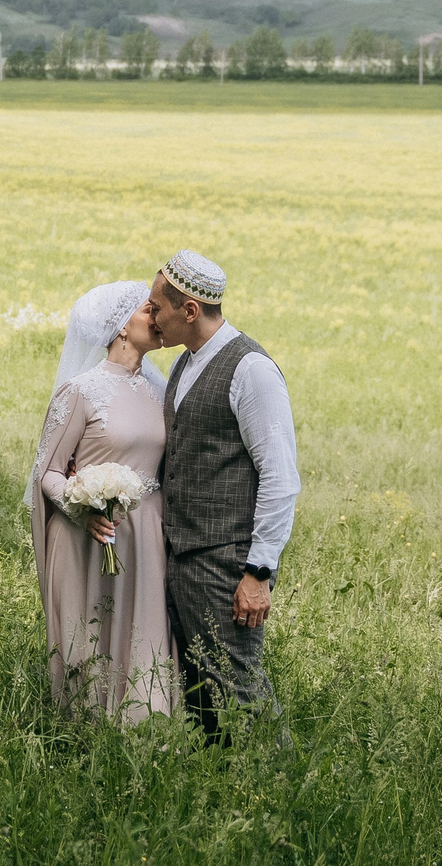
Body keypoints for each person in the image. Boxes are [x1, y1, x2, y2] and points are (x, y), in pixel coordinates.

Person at [147, 249, 298, 741]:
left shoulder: (250, 369)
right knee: (202, 702)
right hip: (183, 558)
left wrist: (258, 572)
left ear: (189, 310)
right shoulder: (185, 364)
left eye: (157, 307)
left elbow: (279, 476)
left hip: (226, 564)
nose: (151, 316)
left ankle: (278, 790)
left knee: (243, 697)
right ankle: (222, 802)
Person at [26, 280, 177, 723]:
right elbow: (47, 472)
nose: (159, 316)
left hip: (146, 535)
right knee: (91, 640)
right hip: (90, 536)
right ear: (121, 328)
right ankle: (84, 739)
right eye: (149, 310)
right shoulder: (81, 391)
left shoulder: (160, 390)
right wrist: (82, 507)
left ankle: (145, 734)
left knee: (144, 637)